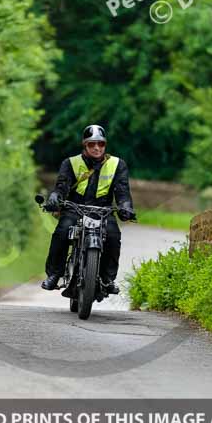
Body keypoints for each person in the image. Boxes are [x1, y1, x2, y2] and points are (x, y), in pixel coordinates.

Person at [40, 124, 136, 295]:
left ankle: (108, 279)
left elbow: (122, 191)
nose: (97, 148)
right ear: (84, 145)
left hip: (103, 211)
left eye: (101, 144)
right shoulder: (70, 163)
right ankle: (55, 274)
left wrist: (126, 207)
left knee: (114, 236)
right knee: (62, 232)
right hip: (74, 209)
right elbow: (61, 186)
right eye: (92, 144)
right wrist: (55, 198)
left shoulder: (117, 164)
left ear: (105, 145)